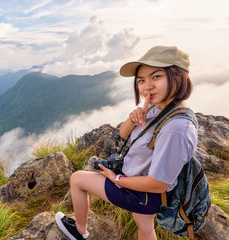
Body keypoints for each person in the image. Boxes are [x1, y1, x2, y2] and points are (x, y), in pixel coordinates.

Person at [55, 46, 197, 240]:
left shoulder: (176, 128)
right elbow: (123, 134)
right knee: (145, 228)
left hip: (143, 194)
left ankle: (79, 232)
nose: (147, 86)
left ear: (180, 76)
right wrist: (133, 118)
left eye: (156, 77)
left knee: (78, 179)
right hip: (144, 192)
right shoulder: (162, 109)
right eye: (141, 80)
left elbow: (158, 184)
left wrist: (117, 180)